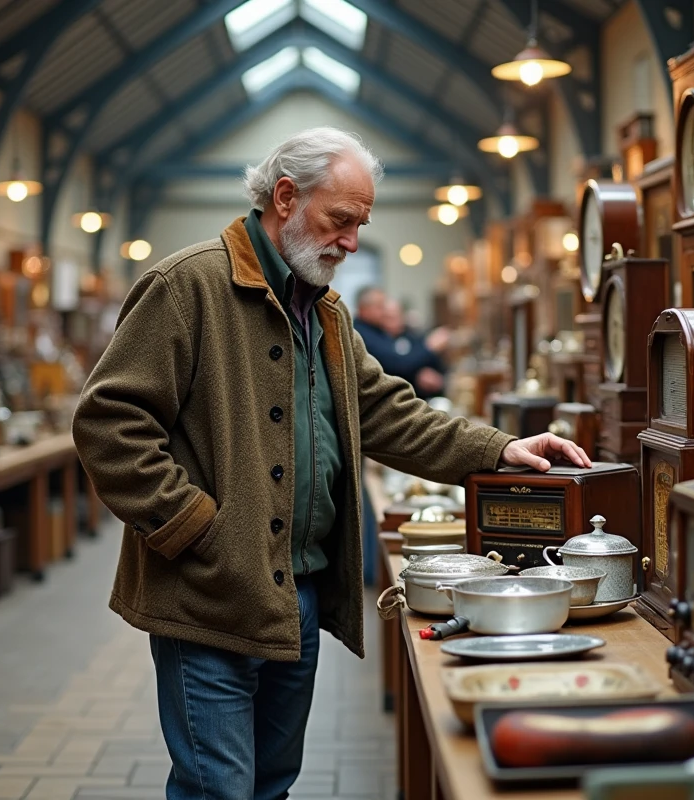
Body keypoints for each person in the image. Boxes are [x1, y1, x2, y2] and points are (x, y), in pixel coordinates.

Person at [71, 126, 592, 800]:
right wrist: (198, 528)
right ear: (285, 197)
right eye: (341, 220)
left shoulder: (326, 314)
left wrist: (498, 449)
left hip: (298, 597)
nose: (351, 242)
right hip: (208, 595)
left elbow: (387, 413)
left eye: (360, 225)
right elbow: (108, 423)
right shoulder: (187, 286)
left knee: (272, 785)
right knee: (218, 790)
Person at [353, 287, 448, 399]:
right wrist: (429, 347)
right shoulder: (361, 334)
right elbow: (395, 364)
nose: (384, 311)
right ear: (363, 309)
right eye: (380, 306)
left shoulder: (380, 330)